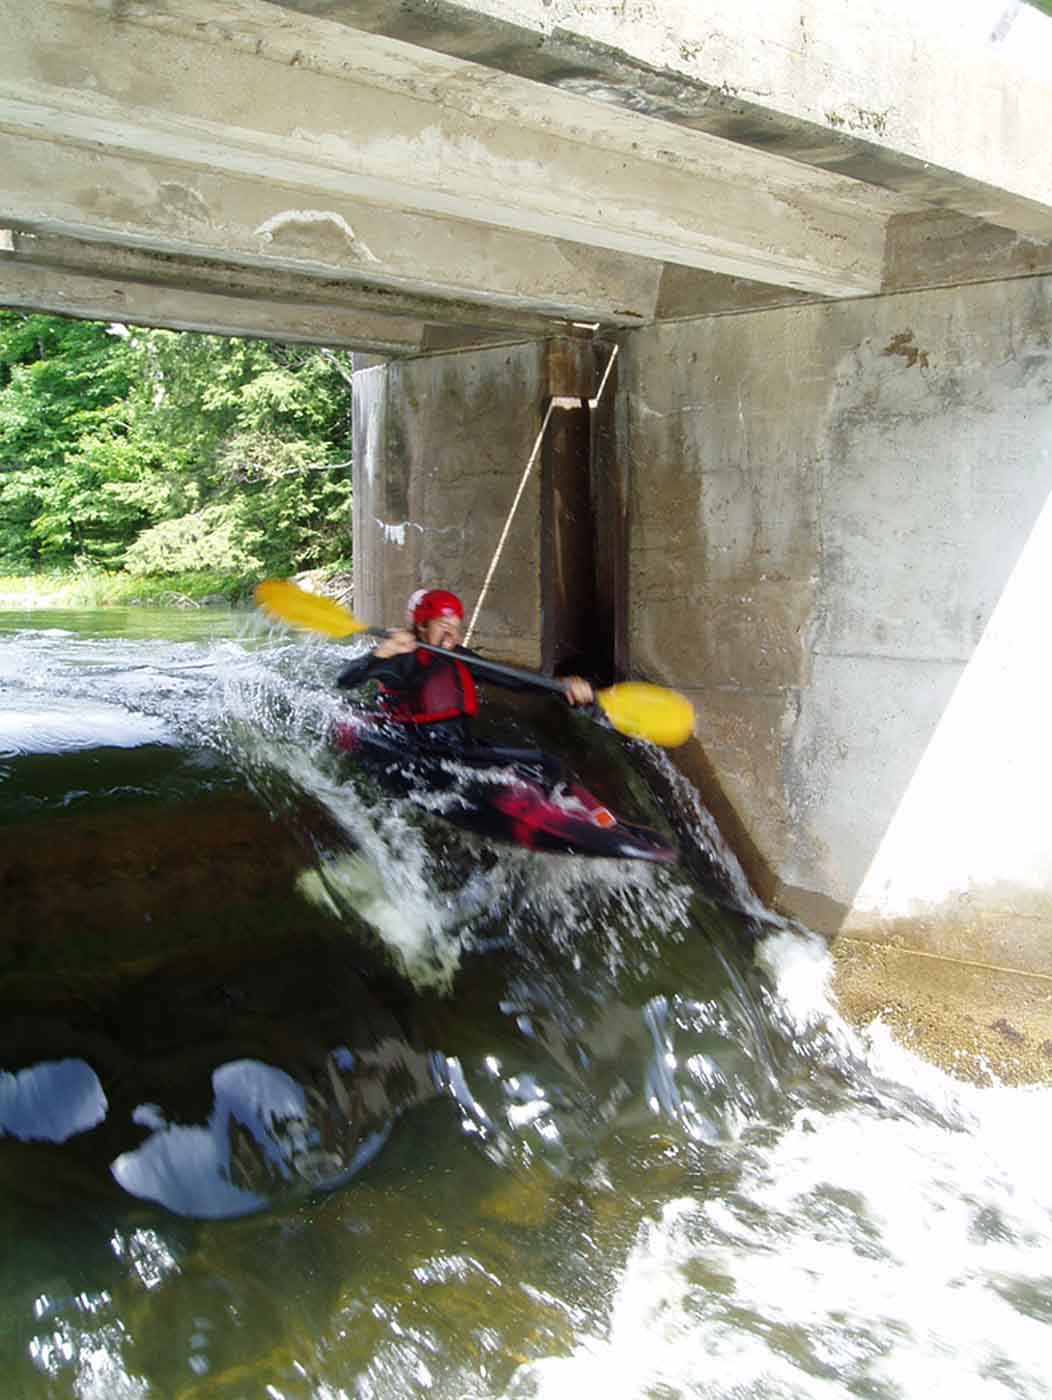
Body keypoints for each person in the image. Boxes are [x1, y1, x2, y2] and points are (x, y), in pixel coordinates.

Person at [336, 587, 593, 784]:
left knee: (546, 764)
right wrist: (381, 653)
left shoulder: (459, 656)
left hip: (460, 747)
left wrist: (558, 686)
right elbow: (345, 679)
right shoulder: (400, 658)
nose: (451, 634)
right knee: (545, 763)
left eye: (455, 627)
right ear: (423, 625)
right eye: (443, 626)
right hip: (422, 751)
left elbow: (511, 680)